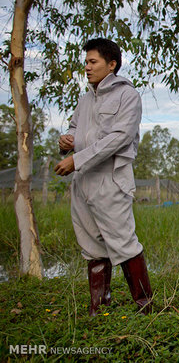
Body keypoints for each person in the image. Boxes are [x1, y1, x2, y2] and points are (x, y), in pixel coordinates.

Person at [54, 38, 152, 316]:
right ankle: (100, 308)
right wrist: (67, 141)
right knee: (91, 245)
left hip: (110, 178)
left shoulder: (127, 96)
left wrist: (77, 158)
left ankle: (145, 307)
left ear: (111, 65)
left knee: (123, 241)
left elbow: (120, 138)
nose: (87, 67)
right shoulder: (86, 99)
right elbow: (75, 128)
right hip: (82, 180)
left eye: (92, 61)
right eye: (86, 62)